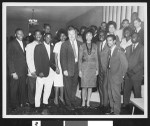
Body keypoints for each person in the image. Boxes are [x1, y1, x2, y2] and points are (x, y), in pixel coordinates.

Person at [60, 27, 82, 110]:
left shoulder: (80, 44)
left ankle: (72, 101)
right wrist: (64, 69)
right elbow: (62, 58)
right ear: (68, 35)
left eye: (73, 34)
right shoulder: (64, 44)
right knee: (68, 86)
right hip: (68, 68)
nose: (72, 35)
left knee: (74, 85)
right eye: (70, 34)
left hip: (77, 67)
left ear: (76, 34)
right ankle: (68, 104)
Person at [106, 34, 128, 115]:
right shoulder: (110, 50)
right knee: (110, 93)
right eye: (108, 40)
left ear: (114, 41)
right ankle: (112, 110)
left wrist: (122, 75)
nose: (109, 42)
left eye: (110, 40)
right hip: (110, 75)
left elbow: (125, 64)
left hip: (116, 77)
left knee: (116, 95)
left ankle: (116, 113)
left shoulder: (119, 50)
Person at [7, 28, 28, 111]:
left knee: (22, 88)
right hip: (15, 71)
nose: (21, 35)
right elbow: (9, 58)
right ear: (15, 35)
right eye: (18, 34)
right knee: (14, 89)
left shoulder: (23, 43)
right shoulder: (11, 43)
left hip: (23, 70)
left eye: (22, 34)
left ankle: (22, 102)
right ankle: (13, 105)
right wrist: (13, 72)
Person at [34, 33, 56, 111]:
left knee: (48, 88)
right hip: (41, 72)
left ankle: (45, 103)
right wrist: (39, 71)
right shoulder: (38, 47)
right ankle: (37, 105)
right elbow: (36, 60)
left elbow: (52, 61)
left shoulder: (53, 47)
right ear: (44, 38)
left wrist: (55, 68)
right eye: (47, 37)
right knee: (39, 89)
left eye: (50, 37)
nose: (48, 38)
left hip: (51, 72)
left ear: (51, 39)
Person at [123, 32, 144, 108]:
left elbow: (142, 62)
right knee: (126, 91)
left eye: (135, 37)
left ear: (138, 38)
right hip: (127, 74)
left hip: (136, 75)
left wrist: (132, 71)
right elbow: (125, 61)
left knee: (137, 92)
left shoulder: (142, 48)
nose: (133, 38)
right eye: (132, 37)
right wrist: (126, 71)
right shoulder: (128, 48)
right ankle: (125, 105)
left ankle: (138, 110)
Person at [79, 28, 99, 107]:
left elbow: (97, 58)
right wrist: (80, 70)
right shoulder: (82, 46)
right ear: (85, 36)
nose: (89, 36)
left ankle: (88, 102)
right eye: (87, 35)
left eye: (90, 35)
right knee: (84, 86)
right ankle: (83, 101)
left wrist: (97, 69)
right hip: (84, 68)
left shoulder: (95, 45)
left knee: (90, 86)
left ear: (92, 36)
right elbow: (80, 59)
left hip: (93, 67)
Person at [25, 30, 42, 108]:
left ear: (41, 36)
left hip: (41, 71)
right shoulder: (29, 45)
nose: (38, 36)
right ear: (34, 36)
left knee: (39, 87)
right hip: (33, 71)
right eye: (36, 34)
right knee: (31, 88)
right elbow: (28, 59)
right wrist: (32, 71)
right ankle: (31, 102)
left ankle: (37, 101)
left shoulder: (42, 45)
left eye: (40, 34)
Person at [96, 30, 110, 112]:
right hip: (99, 69)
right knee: (100, 87)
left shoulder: (109, 44)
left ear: (105, 35)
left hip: (107, 70)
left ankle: (106, 105)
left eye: (102, 35)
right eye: (99, 35)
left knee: (105, 87)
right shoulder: (97, 44)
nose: (101, 36)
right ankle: (101, 104)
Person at [53, 29, 67, 106]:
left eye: (64, 35)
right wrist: (57, 67)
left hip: (65, 67)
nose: (63, 37)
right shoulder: (57, 44)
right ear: (59, 37)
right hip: (59, 66)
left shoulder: (67, 44)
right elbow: (55, 57)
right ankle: (55, 98)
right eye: (61, 36)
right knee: (57, 83)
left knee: (63, 83)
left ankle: (61, 97)